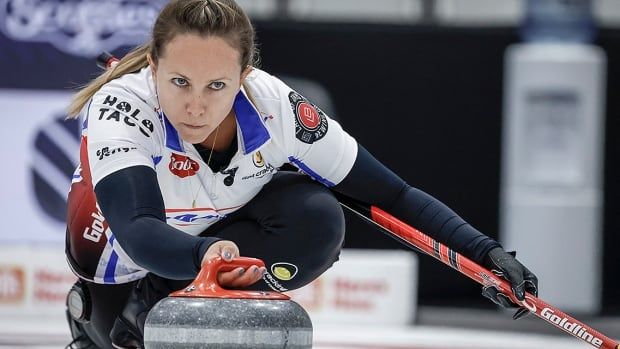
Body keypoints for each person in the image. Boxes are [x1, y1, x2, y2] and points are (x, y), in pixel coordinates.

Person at [63, 0, 538, 348]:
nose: (195, 106)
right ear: (153, 66)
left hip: (204, 245)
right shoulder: (122, 105)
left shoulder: (278, 109)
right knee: (107, 331)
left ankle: (154, 307)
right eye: (180, 82)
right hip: (118, 251)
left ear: (245, 75)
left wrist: (487, 253)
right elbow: (139, 228)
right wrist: (207, 254)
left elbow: (392, 195)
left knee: (315, 216)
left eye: (217, 86)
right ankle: (101, 318)